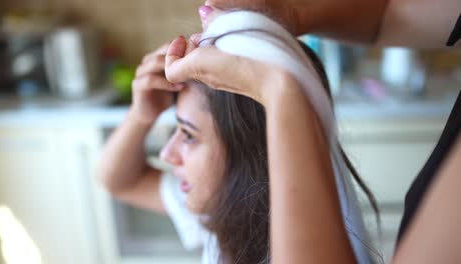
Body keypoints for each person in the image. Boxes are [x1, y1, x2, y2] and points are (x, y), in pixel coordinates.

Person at [162, 1, 461, 263]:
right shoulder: (218, 223)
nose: (166, 154)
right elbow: (389, 14)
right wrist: (287, 10)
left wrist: (281, 91)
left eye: (188, 134)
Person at [96, 10, 380, 264]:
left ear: (252, 151)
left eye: (189, 135)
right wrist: (140, 115)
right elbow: (118, 181)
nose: (167, 155)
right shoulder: (221, 209)